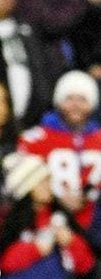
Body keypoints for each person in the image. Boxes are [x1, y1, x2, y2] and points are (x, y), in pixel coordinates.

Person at [0, 152, 94, 279]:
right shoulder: (8, 222)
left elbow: (86, 265)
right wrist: (35, 249)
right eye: (43, 180)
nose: (49, 185)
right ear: (28, 185)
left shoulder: (62, 218)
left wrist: (71, 242)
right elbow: (0, 262)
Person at [18, 71, 101, 209]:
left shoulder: (98, 139)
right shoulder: (36, 138)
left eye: (82, 99)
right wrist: (54, 197)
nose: (76, 105)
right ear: (59, 101)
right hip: (47, 221)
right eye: (69, 98)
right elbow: (24, 187)